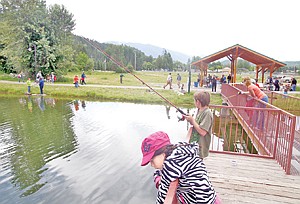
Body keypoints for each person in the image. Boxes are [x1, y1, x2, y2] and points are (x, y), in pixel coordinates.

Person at [140, 131, 218, 204]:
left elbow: (162, 194)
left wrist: (157, 177)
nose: (151, 164)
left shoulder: (170, 164)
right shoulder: (180, 153)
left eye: (152, 160)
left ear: (163, 154)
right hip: (211, 198)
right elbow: (163, 172)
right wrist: (158, 174)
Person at [184, 91, 213, 159]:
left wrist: (192, 121)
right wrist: (190, 120)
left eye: (194, 101)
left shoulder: (207, 113)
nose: (194, 103)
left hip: (200, 148)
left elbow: (203, 132)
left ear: (198, 102)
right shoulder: (199, 111)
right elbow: (196, 125)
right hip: (194, 146)